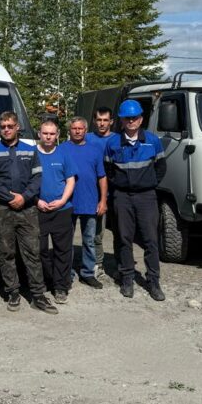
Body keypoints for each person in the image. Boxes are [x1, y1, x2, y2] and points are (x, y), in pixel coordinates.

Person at [0, 111, 57, 314]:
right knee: (6, 252)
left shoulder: (30, 151)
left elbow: (37, 178)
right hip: (2, 208)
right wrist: (10, 198)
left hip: (27, 208)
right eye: (3, 127)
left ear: (17, 127)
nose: (6, 130)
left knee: (33, 252)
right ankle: (13, 292)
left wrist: (24, 197)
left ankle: (38, 295)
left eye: (10, 126)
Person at [104, 99, 166, 301]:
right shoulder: (112, 143)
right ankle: (127, 279)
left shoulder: (153, 141)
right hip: (122, 197)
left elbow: (161, 167)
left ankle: (153, 281)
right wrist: (120, 185)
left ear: (141, 119)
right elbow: (108, 170)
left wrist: (148, 184)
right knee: (124, 238)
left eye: (134, 117)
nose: (131, 121)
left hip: (146, 196)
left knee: (150, 240)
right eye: (127, 118)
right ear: (121, 121)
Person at [61, 116, 108, 288]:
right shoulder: (62, 149)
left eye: (80, 128)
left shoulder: (95, 150)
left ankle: (87, 273)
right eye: (74, 128)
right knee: (66, 241)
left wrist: (103, 200)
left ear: (85, 130)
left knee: (89, 240)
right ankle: (66, 272)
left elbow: (102, 177)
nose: (77, 131)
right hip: (68, 202)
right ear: (70, 130)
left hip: (90, 201)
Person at [35, 119, 77, 304]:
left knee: (62, 250)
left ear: (57, 135)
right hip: (38, 210)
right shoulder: (32, 154)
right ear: (39, 134)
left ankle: (60, 287)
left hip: (62, 210)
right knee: (40, 249)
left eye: (52, 134)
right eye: (45, 133)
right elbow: (26, 182)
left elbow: (70, 180)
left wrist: (62, 201)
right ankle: (46, 280)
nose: (48, 137)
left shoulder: (64, 154)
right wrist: (36, 201)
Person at [92, 107, 120, 278]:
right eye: (99, 120)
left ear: (111, 122)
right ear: (94, 121)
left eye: (105, 120)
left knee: (120, 232)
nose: (102, 123)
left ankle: (121, 266)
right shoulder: (87, 138)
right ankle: (98, 263)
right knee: (97, 233)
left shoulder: (118, 139)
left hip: (117, 193)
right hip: (95, 193)